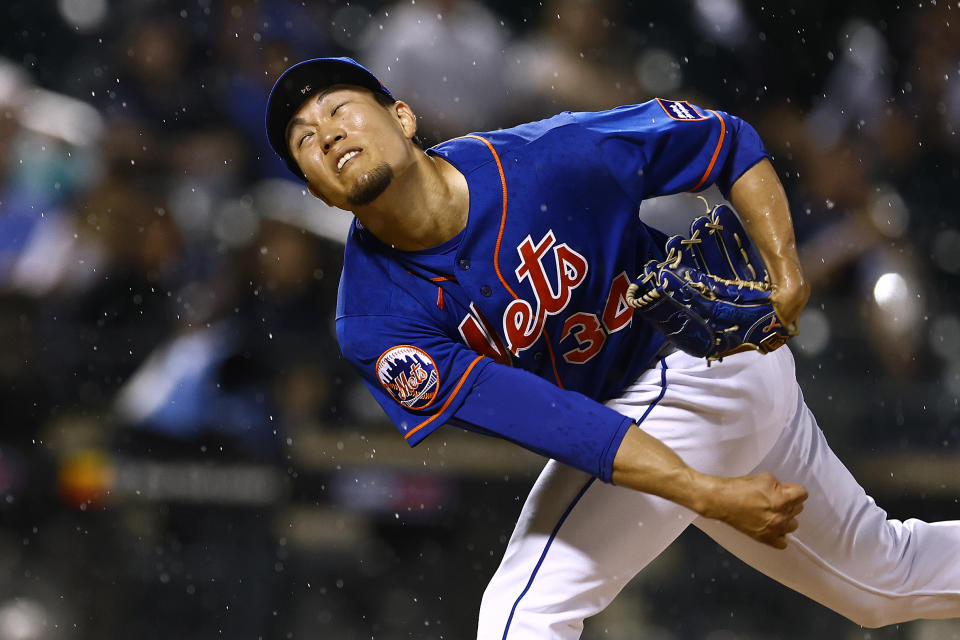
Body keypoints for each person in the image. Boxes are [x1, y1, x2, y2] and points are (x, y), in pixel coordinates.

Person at [264, 57, 960, 638]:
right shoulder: (374, 321)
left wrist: (786, 272)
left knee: (522, 615)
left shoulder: (548, 161)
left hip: (701, 360)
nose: (325, 133)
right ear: (317, 192)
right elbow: (553, 422)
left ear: (403, 118)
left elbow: (724, 139)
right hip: (649, 414)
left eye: (340, 109)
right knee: (880, 583)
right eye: (302, 139)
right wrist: (707, 493)